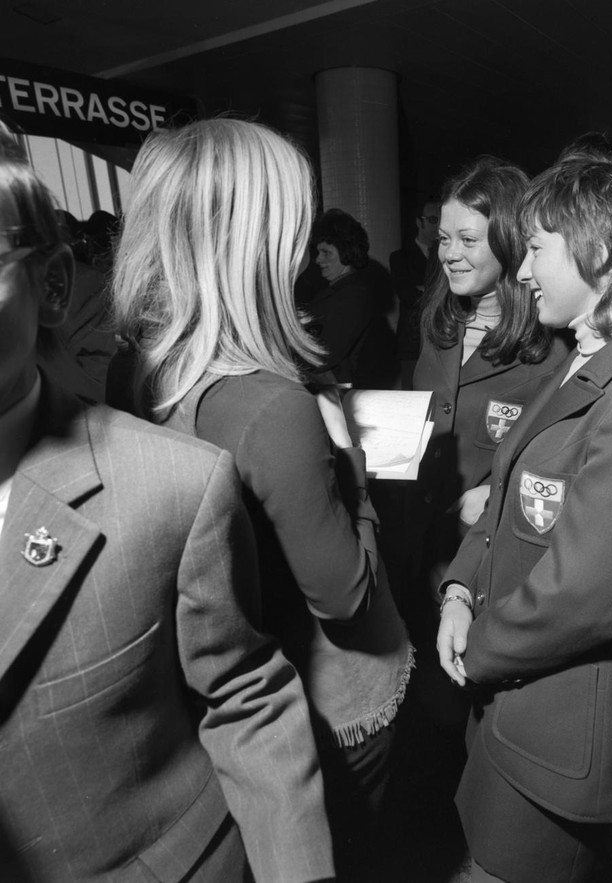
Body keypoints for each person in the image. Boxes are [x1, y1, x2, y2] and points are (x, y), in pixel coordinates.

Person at [0, 131, 333, 880]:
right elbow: (344, 590)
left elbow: (244, 691)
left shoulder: (153, 407)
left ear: (52, 283)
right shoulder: (277, 410)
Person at [110, 119, 412, 877]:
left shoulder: (136, 368)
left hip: (218, 699)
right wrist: (352, 466)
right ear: (254, 234)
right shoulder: (272, 408)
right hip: (321, 699)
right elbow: (345, 596)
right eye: (291, 217)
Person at [437, 139, 612, 883]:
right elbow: (504, 496)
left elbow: (582, 599)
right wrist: (460, 587)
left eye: (535, 249)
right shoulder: (584, 353)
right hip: (514, 701)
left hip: (558, 732)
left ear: (598, 249)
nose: (521, 271)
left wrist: (477, 649)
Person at [404, 156, 571, 641]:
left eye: (468, 240)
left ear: (509, 243)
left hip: (482, 553)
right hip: (416, 538)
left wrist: (500, 494)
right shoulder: (437, 322)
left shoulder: (553, 343)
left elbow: (564, 458)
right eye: (443, 238)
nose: (449, 254)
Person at [308, 207, 398, 389]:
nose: (318, 260)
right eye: (318, 252)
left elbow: (323, 357)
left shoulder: (354, 296)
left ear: (346, 253)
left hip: (342, 397)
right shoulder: (337, 291)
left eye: (326, 253)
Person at [390, 197, 440, 387]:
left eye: (440, 220)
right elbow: (409, 296)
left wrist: (424, 289)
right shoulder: (400, 257)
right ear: (419, 222)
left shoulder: (448, 254)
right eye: (433, 220)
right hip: (412, 342)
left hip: (441, 341)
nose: (438, 226)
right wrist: (438, 292)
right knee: (412, 402)